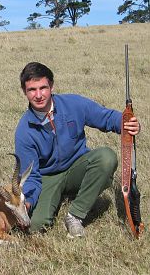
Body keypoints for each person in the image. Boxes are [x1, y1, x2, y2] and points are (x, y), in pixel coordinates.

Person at [14, 62, 141, 238]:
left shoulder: (73, 103)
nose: (38, 95)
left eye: (43, 88)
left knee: (106, 157)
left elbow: (105, 117)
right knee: (34, 226)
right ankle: (55, 199)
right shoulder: (24, 131)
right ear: (24, 91)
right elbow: (31, 176)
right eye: (32, 90)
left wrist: (127, 122)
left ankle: (75, 215)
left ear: (51, 86)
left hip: (77, 167)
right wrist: (27, 202)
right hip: (47, 178)